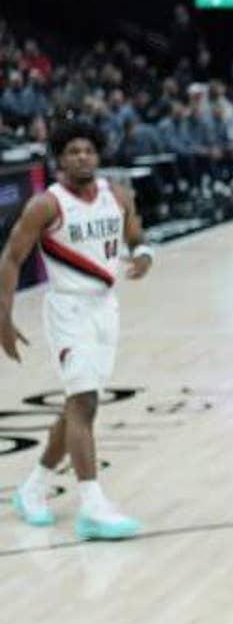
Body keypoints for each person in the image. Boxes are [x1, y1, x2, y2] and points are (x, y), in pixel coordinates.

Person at [2, 121, 152, 539]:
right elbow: (12, 258)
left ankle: (32, 489)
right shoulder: (46, 205)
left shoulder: (116, 195)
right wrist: (3, 318)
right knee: (84, 403)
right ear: (59, 159)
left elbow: (135, 232)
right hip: (68, 309)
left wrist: (143, 253)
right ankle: (92, 506)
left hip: (106, 309)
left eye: (88, 149)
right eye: (73, 151)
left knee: (79, 406)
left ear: (98, 154)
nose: (82, 156)